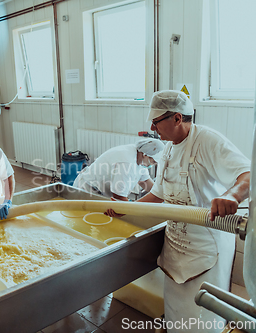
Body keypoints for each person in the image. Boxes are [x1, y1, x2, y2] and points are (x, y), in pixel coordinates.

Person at [107, 90, 250, 333]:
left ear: (176, 118)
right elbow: (159, 193)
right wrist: (127, 208)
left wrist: (231, 195)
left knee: (203, 315)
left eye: (156, 121)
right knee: (177, 311)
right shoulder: (168, 149)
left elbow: (248, 173)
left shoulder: (208, 140)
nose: (153, 128)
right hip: (176, 245)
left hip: (206, 248)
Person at [73, 138, 164, 201]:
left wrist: (162, 195)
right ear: (145, 155)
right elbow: (118, 197)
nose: (153, 165)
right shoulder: (126, 163)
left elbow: (145, 182)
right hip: (88, 190)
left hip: (99, 192)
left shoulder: (139, 158)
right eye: (153, 162)